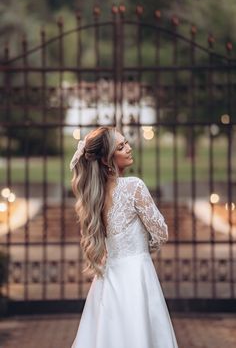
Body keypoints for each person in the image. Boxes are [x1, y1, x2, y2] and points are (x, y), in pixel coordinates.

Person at [70, 126, 178, 348]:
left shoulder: (94, 197)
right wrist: (141, 250)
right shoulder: (134, 186)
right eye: (120, 146)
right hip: (137, 273)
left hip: (107, 277)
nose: (129, 148)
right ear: (106, 159)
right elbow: (161, 232)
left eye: (126, 142)